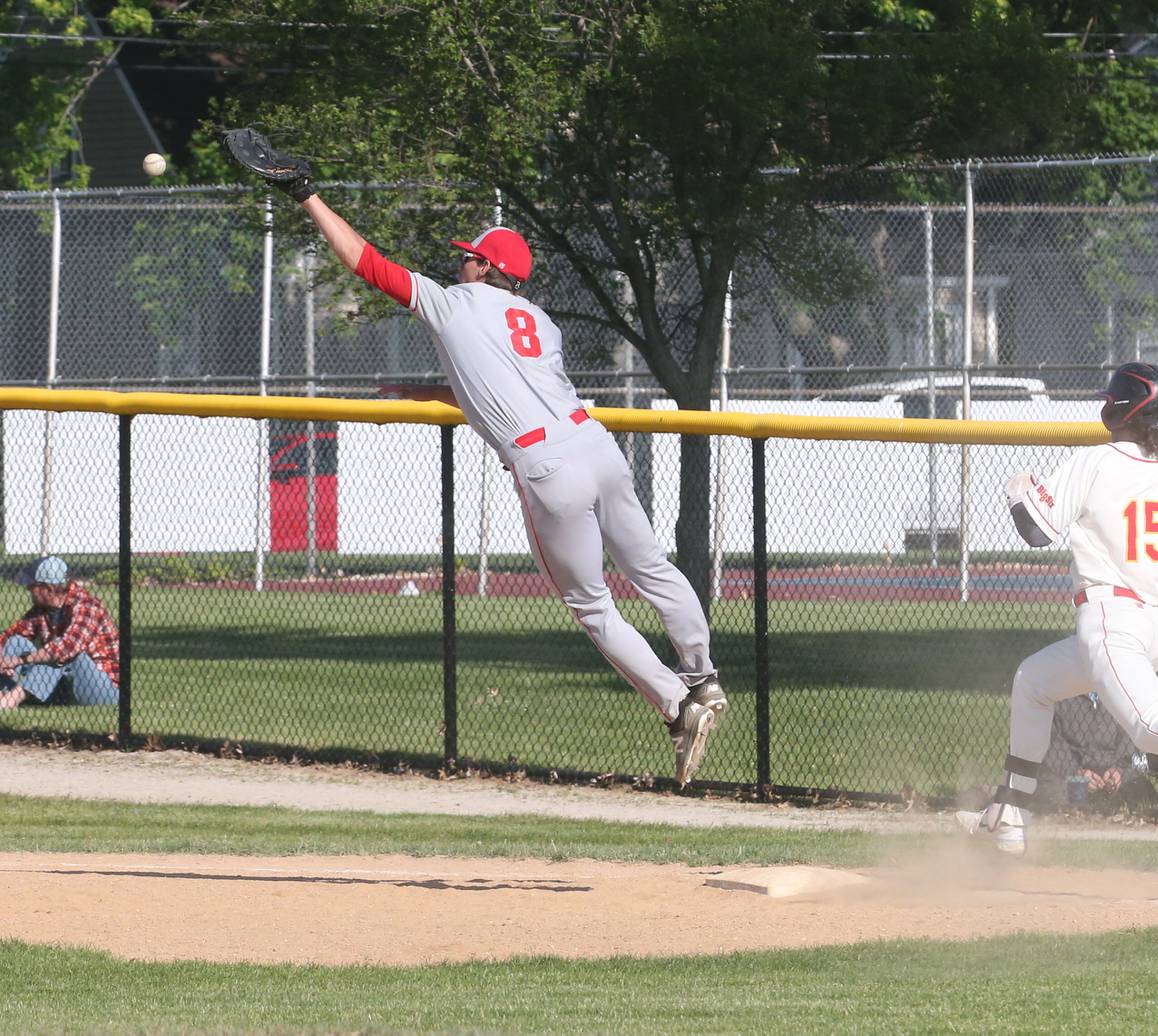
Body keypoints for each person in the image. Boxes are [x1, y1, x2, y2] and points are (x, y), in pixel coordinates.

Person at [226, 134, 724, 787]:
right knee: (653, 567)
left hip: (548, 470)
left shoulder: (452, 302)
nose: (461, 265)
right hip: (596, 445)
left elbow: (363, 261)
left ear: (487, 270)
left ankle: (675, 707)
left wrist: (305, 194)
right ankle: (704, 679)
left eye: (469, 259)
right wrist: (433, 391)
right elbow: (504, 389)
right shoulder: (540, 323)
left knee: (593, 605)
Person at [959, 362, 1158, 858]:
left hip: (1110, 620)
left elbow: (1034, 532)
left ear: (1125, 409)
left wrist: (1017, 493)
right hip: (1148, 624)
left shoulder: (1097, 462)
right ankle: (1011, 810)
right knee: (1033, 681)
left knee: (1147, 724)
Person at [0, 556, 120, 710]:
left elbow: (64, 650)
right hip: (66, 686)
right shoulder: (42, 609)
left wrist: (17, 660)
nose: (28, 589)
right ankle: (2, 694)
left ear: (48, 589)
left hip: (102, 691)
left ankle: (10, 701)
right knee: (15, 641)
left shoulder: (87, 606)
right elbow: (9, 635)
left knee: (61, 655)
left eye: (32, 586)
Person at [1037, 692, 1154, 810]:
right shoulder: (1060, 695)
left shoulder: (1118, 697)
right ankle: (1080, 809)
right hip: (1073, 774)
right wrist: (1076, 772)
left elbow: (1126, 742)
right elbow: (1054, 744)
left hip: (1109, 773)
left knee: (1141, 788)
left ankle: (1110, 805)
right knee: (1050, 790)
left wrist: (1118, 771)